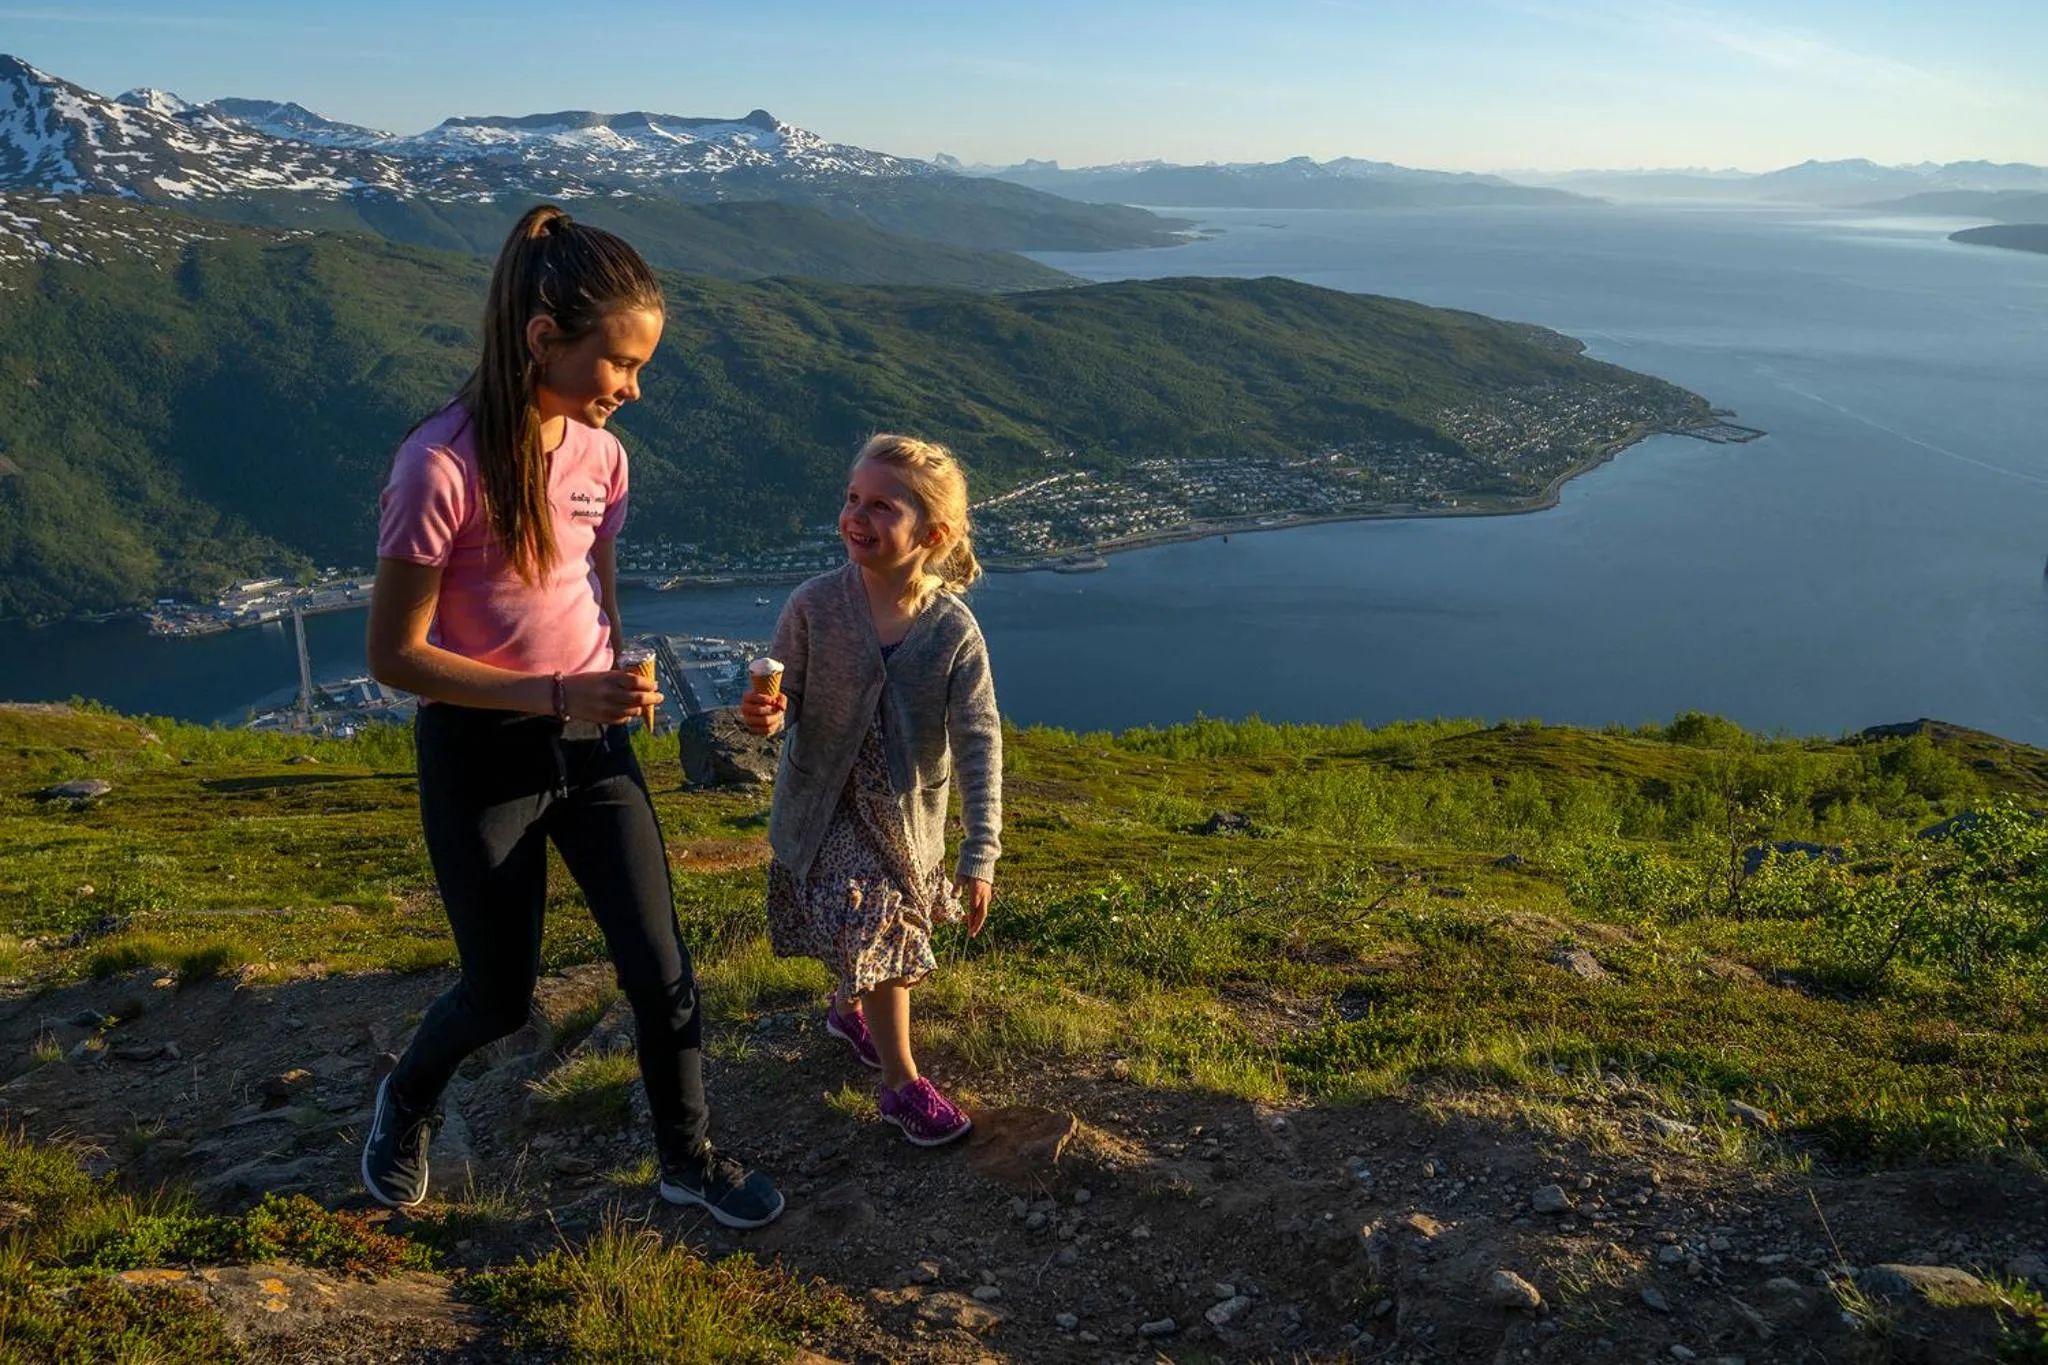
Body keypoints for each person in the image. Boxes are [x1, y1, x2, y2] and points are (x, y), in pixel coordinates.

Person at [361, 204, 782, 1228]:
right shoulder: (439, 467)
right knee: (500, 997)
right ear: (544, 338)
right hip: (480, 753)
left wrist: (609, 681)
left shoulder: (601, 458)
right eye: (620, 365)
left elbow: (593, 592)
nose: (632, 390)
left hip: (594, 744)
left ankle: (688, 1161)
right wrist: (553, 694)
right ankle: (405, 1100)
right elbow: (393, 658)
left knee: (660, 969)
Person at [742, 434, 1003, 1146]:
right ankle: (901, 1084)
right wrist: (767, 714)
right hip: (823, 812)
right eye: (852, 498)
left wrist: (980, 851)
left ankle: (844, 1011)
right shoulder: (813, 604)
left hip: (906, 819)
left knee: (878, 933)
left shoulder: (954, 631)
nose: (856, 514)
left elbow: (980, 741)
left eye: (881, 505)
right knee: (882, 927)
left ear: (934, 533)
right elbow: (781, 697)